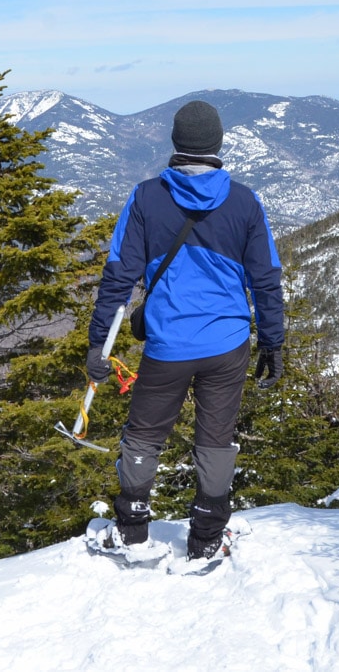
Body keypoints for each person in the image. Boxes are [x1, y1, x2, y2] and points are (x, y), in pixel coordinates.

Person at [86, 99, 285, 560]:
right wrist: (273, 343)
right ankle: (207, 538)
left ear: (176, 142)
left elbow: (118, 275)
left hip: (168, 342)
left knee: (144, 434)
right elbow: (266, 279)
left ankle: (132, 530)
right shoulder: (244, 200)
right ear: (216, 143)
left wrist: (99, 343)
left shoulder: (146, 197)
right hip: (227, 344)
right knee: (216, 438)